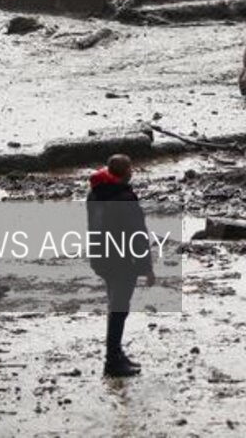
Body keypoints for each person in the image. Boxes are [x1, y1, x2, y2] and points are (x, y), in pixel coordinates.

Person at [86, 154, 155, 377]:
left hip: (101, 257)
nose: (133, 172)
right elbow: (138, 236)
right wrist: (147, 268)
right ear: (126, 172)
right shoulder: (125, 199)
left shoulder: (94, 194)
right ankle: (112, 361)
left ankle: (116, 355)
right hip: (122, 261)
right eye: (131, 169)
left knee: (114, 305)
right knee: (119, 309)